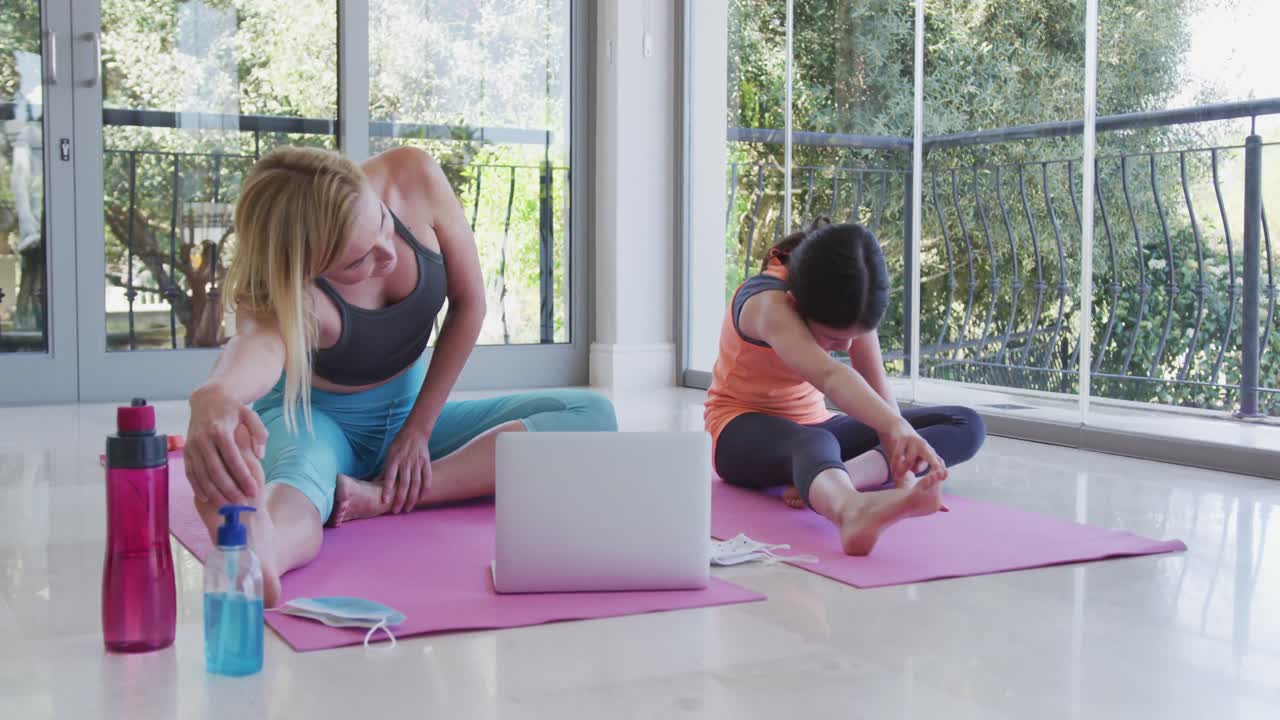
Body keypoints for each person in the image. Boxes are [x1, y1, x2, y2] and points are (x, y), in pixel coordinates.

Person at [183, 146, 616, 606]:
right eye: (357, 262)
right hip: (317, 425)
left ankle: (383, 496)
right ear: (308, 266)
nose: (387, 255)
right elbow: (257, 347)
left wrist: (418, 431)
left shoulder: (414, 176)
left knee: (590, 413)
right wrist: (217, 395)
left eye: (384, 225)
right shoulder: (286, 290)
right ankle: (258, 552)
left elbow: (470, 304)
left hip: (411, 417)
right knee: (298, 496)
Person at [705, 218, 985, 556]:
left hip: (815, 429)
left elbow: (881, 397)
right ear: (796, 303)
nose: (847, 347)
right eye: (834, 339)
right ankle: (850, 510)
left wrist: (905, 473)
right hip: (736, 433)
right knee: (815, 441)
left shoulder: (850, 298)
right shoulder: (767, 305)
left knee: (965, 422)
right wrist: (896, 429)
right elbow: (832, 376)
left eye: (854, 336)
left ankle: (837, 474)